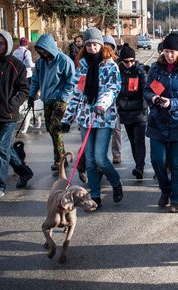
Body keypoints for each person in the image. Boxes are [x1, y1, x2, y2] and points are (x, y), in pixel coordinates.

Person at [61, 27, 124, 208]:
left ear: (101, 44)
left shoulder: (110, 65)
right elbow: (76, 93)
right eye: (89, 44)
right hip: (85, 118)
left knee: (100, 158)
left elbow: (113, 89)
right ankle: (95, 195)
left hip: (103, 117)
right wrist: (67, 118)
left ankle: (116, 182)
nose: (92, 48)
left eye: (95, 44)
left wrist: (102, 104)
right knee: (89, 159)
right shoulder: (82, 66)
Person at [143, 32, 178, 213]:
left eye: (173, 52)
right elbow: (147, 90)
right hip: (157, 122)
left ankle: (176, 198)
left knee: (176, 164)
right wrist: (154, 98)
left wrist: (172, 103)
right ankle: (165, 190)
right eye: (166, 51)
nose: (169, 55)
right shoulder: (155, 68)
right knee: (157, 160)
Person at [0, 31, 33, 200]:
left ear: (8, 44)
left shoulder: (17, 64)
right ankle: (25, 172)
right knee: (6, 149)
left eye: (2, 43)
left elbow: (24, 89)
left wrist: (13, 104)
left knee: (2, 150)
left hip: (9, 115)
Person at [29, 34, 77, 170]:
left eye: (43, 50)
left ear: (49, 48)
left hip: (60, 100)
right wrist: (31, 96)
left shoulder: (64, 61)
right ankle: (60, 156)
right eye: (39, 50)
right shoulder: (40, 63)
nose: (42, 53)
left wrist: (64, 97)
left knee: (55, 128)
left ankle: (60, 160)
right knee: (50, 129)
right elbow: (35, 80)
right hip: (47, 99)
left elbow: (71, 81)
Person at [117, 44, 148, 179]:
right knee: (132, 140)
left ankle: (140, 166)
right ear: (121, 61)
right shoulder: (117, 72)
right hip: (125, 111)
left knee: (139, 140)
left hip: (139, 112)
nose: (129, 64)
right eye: (126, 61)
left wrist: (145, 105)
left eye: (131, 61)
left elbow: (146, 90)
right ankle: (138, 163)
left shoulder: (140, 71)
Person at [103, 35, 122, 164]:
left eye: (109, 46)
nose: (106, 49)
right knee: (101, 132)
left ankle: (116, 153)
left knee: (116, 130)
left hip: (114, 103)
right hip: (97, 105)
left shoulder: (116, 65)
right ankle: (102, 155)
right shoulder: (92, 64)